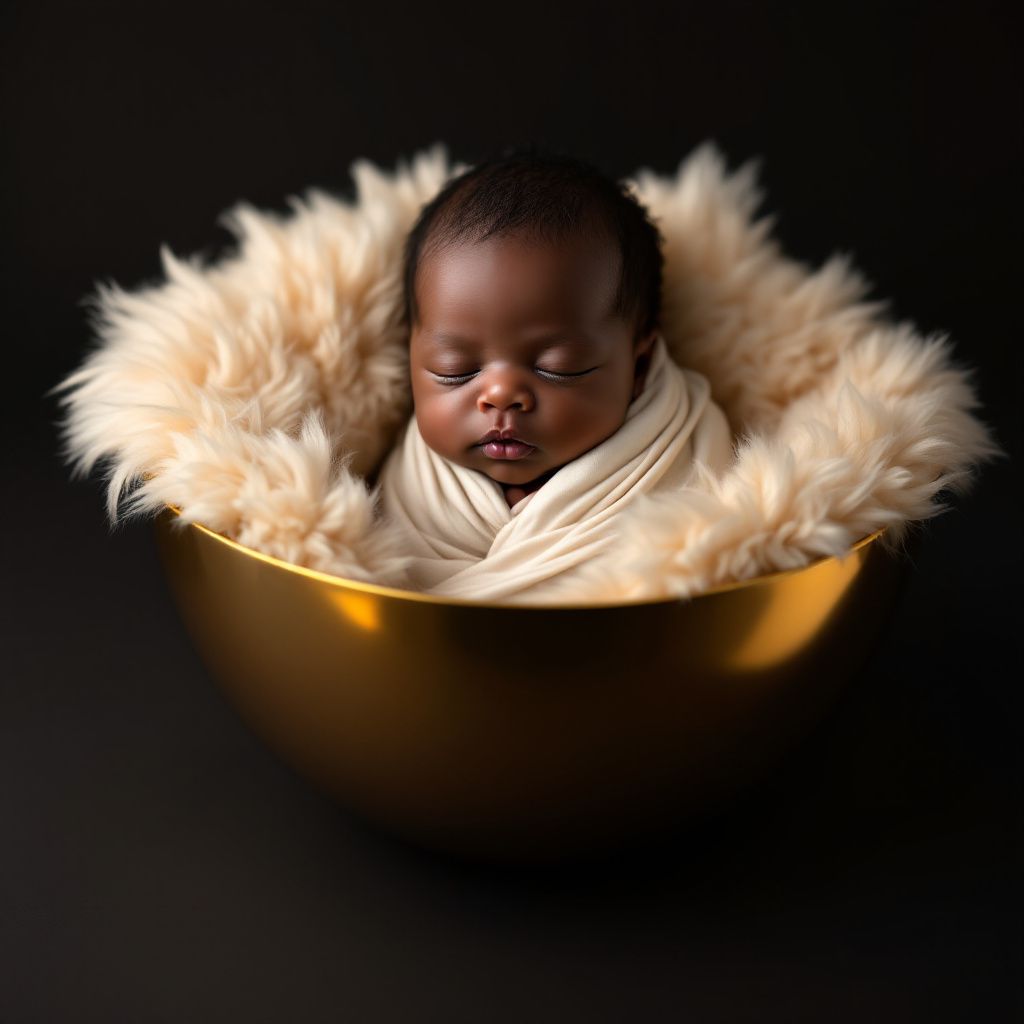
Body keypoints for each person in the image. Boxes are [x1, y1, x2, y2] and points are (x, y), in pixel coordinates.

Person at [377, 147, 733, 604]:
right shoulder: (403, 486)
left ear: (639, 365)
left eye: (558, 367)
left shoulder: (687, 455)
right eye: (455, 369)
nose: (500, 394)